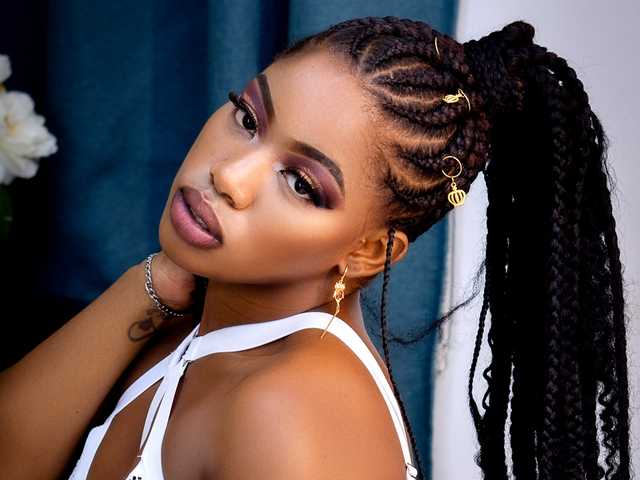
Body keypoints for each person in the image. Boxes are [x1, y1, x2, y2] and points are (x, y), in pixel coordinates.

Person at [0, 15, 630, 480]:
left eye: (301, 184)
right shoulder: (206, 316)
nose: (229, 176)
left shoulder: (292, 412)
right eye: (248, 118)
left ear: (369, 253)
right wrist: (159, 279)